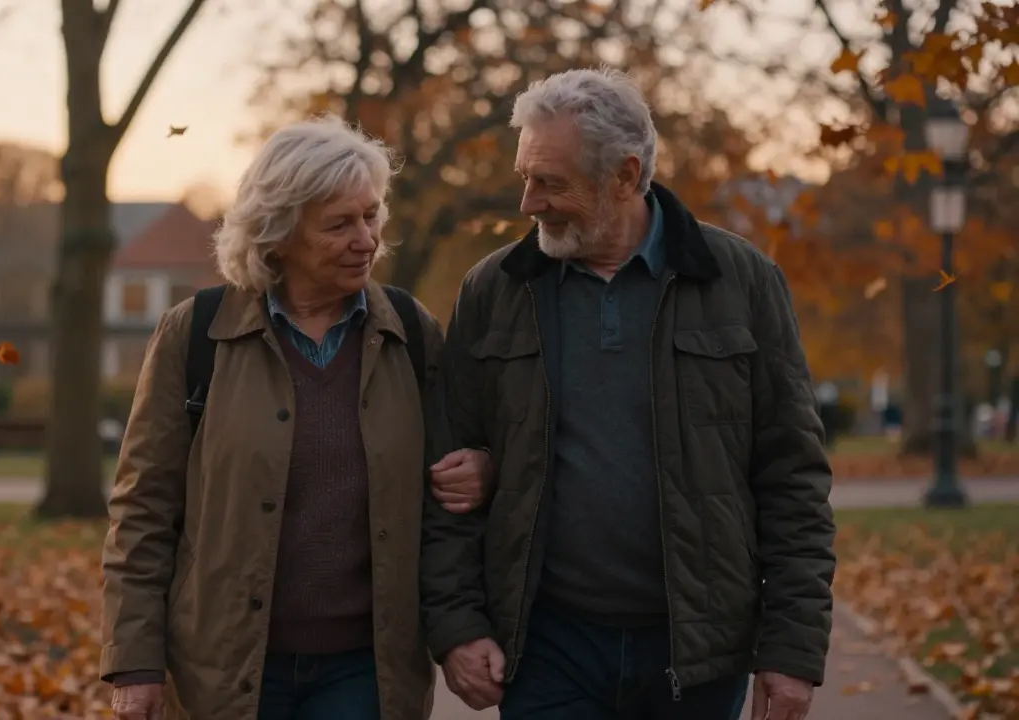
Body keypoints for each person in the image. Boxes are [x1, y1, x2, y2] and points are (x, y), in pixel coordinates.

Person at [420, 67, 836, 720]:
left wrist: (791, 650)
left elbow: (792, 478)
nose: (528, 203)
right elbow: (446, 477)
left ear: (623, 174)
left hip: (696, 653)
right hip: (545, 648)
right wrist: (458, 627)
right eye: (525, 177)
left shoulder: (741, 281)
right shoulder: (494, 289)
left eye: (550, 183)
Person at [99, 115, 491, 720]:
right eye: (340, 224)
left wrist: (480, 471)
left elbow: (447, 494)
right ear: (277, 234)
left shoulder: (411, 334)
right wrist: (135, 662)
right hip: (221, 669)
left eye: (371, 215)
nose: (367, 239)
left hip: (365, 672)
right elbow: (144, 510)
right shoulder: (196, 334)